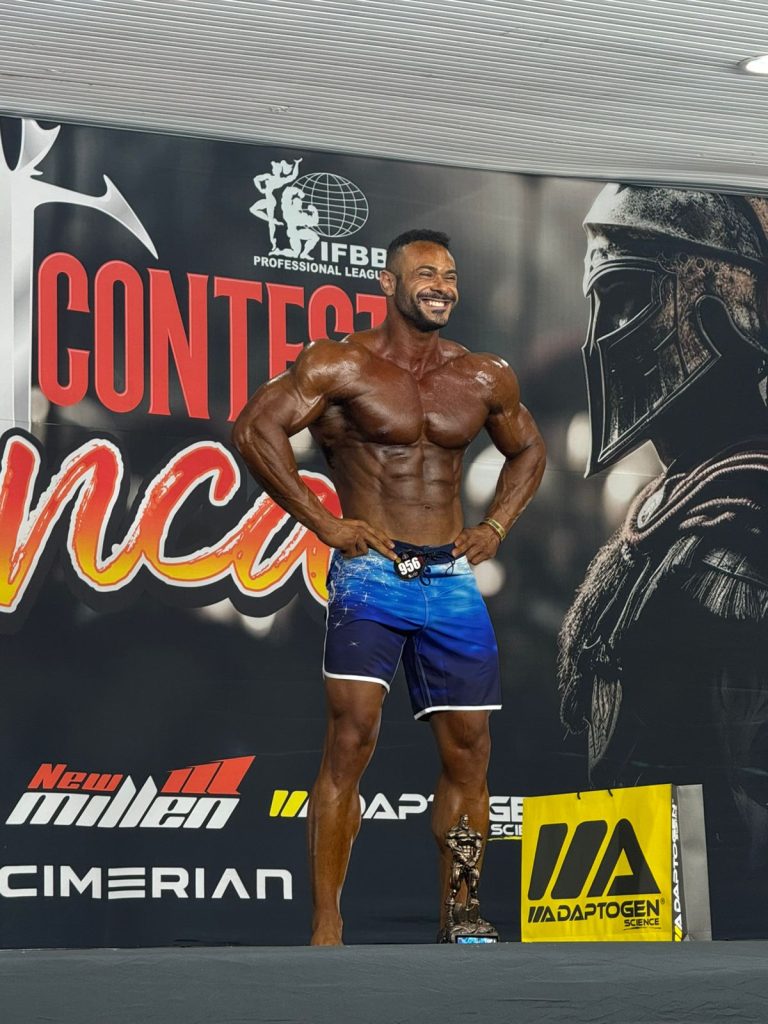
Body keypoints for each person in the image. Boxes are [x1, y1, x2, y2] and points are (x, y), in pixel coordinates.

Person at [233, 228, 546, 944]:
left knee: (470, 749)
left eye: (450, 275)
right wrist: (322, 520)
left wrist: (496, 526)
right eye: (426, 273)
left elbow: (529, 448)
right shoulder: (341, 363)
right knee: (351, 739)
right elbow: (255, 428)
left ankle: (461, 917)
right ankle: (328, 924)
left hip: (450, 578)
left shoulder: (483, 375)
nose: (441, 286)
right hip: (373, 573)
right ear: (388, 283)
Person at [557, 185, 768, 937]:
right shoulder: (677, 502)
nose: (603, 337)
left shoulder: (741, 519)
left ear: (722, 303)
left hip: (724, 917)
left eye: (626, 299)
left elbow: (751, 786)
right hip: (641, 902)